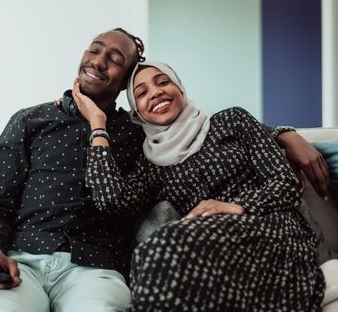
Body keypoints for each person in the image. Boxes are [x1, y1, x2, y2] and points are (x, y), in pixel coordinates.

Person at [0, 29, 328, 312]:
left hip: (100, 267)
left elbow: (273, 173)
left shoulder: (192, 127)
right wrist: (98, 126)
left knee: (156, 257)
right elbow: (0, 200)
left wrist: (283, 133)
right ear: (136, 105)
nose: (99, 61)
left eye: (163, 82)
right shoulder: (40, 122)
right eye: (95, 49)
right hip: (26, 259)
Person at [74, 61, 325, 311]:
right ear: (137, 113)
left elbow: (286, 183)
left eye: (163, 82)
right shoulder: (152, 164)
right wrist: (98, 124)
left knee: (167, 244)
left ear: (180, 89)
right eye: (141, 93)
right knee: (149, 252)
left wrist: (237, 206)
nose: (156, 92)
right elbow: (111, 199)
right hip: (211, 248)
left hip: (272, 229)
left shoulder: (231, 120)